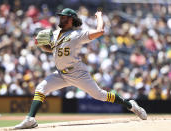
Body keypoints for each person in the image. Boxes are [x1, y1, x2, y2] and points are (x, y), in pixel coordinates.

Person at [14, 8, 147, 129]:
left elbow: (100, 31)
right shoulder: (54, 34)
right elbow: (53, 50)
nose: (61, 18)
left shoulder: (77, 34)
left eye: (64, 17)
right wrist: (41, 46)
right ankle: (30, 119)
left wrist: (99, 17)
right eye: (61, 16)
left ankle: (130, 105)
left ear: (71, 20)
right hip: (61, 74)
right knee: (40, 89)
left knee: (100, 95)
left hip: (77, 73)